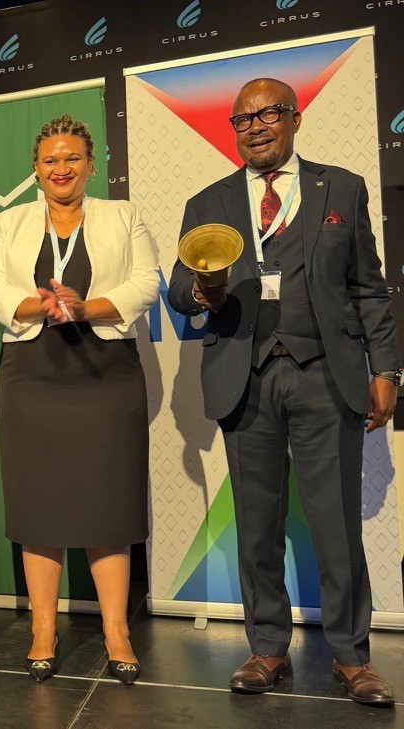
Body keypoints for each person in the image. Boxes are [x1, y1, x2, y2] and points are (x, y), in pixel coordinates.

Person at [168, 78, 400, 706]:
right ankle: (267, 647)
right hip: (244, 379)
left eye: (269, 114)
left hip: (326, 374)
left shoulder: (342, 188)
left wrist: (387, 368)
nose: (256, 127)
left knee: (336, 525)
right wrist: (201, 295)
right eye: (243, 120)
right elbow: (177, 295)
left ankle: (352, 658)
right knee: (257, 525)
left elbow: (369, 289)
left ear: (294, 119)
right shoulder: (206, 200)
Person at [0, 115, 158, 683]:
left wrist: (85, 307)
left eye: (72, 158)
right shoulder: (10, 224)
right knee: (39, 509)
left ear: (90, 165)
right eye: (50, 160)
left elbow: (148, 282)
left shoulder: (122, 215)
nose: (61, 168)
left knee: (109, 505)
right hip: (32, 375)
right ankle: (42, 630)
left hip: (105, 374)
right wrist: (43, 306)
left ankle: (116, 631)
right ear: (36, 169)